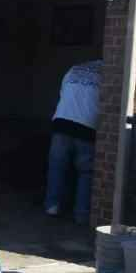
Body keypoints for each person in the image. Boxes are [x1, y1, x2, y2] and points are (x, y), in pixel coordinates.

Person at [45, 59, 103, 226]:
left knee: (57, 166)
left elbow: (63, 94)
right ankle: (81, 214)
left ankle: (52, 206)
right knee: (86, 171)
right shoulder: (109, 72)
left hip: (62, 121)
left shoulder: (74, 69)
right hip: (87, 125)